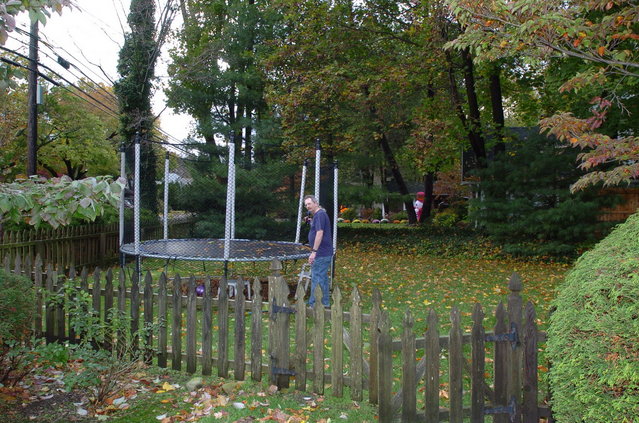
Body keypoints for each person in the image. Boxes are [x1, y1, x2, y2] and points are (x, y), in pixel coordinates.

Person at [304, 195, 333, 308]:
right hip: (324, 252)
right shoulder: (318, 215)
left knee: (317, 278)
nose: (307, 207)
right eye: (306, 205)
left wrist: (314, 251)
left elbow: (319, 233)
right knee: (322, 278)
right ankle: (325, 303)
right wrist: (311, 221)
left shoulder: (320, 215)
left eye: (309, 204)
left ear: (316, 203)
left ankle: (315, 304)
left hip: (321, 253)